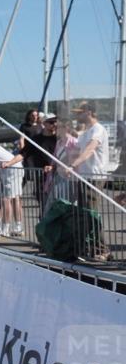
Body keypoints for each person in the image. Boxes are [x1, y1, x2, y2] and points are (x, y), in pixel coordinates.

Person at [68, 102, 110, 260]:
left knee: (91, 214)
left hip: (94, 176)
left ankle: (102, 250)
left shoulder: (98, 130)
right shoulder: (86, 132)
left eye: (80, 113)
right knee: (85, 214)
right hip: (84, 176)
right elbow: (77, 145)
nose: (77, 116)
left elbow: (89, 150)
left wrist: (72, 165)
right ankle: (89, 248)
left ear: (89, 113)